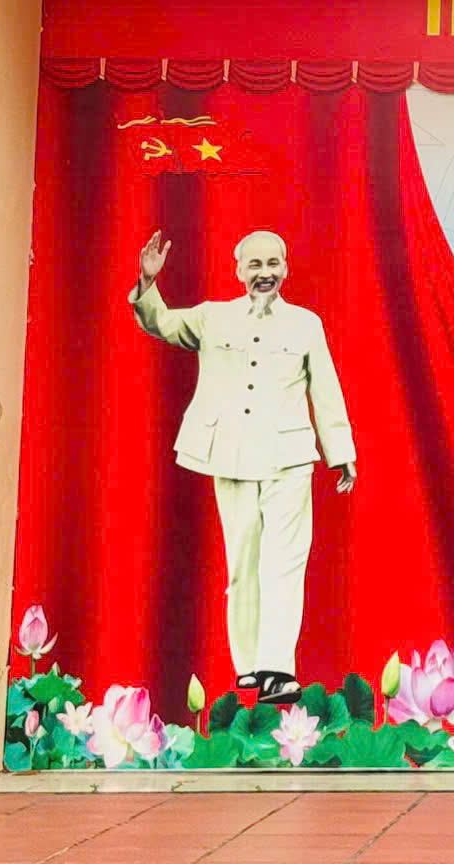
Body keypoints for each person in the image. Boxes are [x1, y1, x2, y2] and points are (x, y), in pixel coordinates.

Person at [131, 228, 356, 706]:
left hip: (289, 459)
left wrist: (341, 452)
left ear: (286, 268)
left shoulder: (305, 324)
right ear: (238, 271)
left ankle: (279, 669)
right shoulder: (213, 318)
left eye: (273, 263)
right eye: (255, 265)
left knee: (285, 563)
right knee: (242, 565)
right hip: (231, 457)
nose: (264, 273)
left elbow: (326, 388)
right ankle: (250, 664)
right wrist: (148, 283)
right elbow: (162, 324)